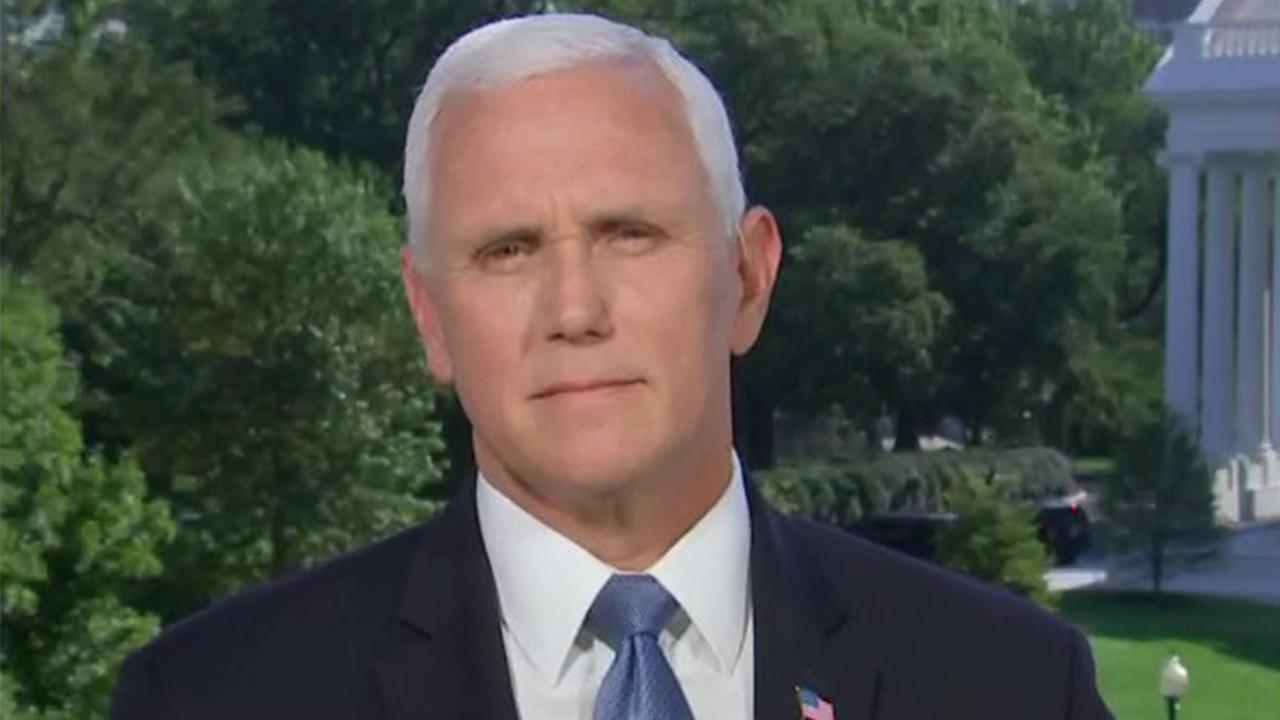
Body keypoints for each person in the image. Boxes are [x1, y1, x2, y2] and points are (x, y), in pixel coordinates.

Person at [111, 13, 1114, 720]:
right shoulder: (213, 699)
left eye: (629, 234)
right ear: (430, 317)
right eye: (507, 251)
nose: (574, 312)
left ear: (748, 277)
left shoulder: (1013, 687)